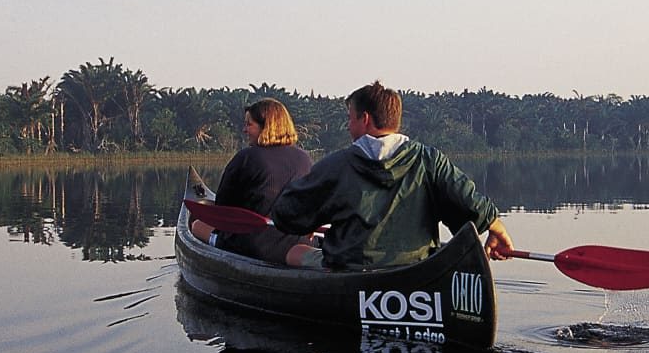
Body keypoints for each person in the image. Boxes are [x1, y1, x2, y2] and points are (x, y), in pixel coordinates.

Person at [271, 81, 513, 270]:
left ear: (364, 119)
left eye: (350, 118)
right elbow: (471, 203)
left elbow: (287, 214)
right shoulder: (429, 161)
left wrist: (310, 222)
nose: (348, 125)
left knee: (296, 251)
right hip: (416, 270)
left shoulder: (337, 165)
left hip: (350, 271)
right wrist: (497, 229)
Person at [190, 98, 316, 265]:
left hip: (253, 245)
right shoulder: (304, 158)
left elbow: (222, 208)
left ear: (266, 127)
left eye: (249, 124)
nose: (244, 130)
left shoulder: (247, 157)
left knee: (196, 225)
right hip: (296, 242)